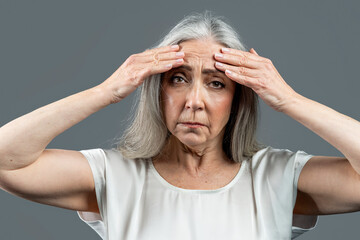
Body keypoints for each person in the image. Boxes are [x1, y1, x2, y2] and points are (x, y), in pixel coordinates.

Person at [0, 10, 359, 240]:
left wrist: (289, 100)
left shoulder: (277, 177)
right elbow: (5, 160)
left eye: (216, 83)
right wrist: (106, 91)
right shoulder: (116, 175)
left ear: (238, 99)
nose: (194, 100)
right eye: (178, 79)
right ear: (158, 91)